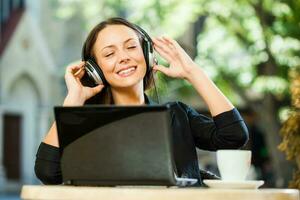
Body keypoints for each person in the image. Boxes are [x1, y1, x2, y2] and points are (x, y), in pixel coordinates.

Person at [34, 17, 249, 186]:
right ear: (96, 71)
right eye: (109, 54)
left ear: (147, 53)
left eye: (131, 47)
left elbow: (234, 136)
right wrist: (73, 100)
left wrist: (193, 73)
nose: (123, 57)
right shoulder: (88, 124)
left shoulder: (177, 115)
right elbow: (47, 172)